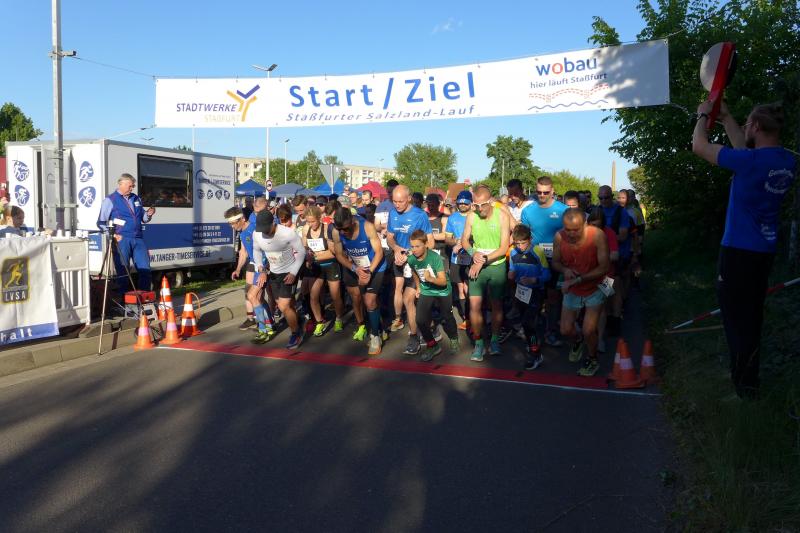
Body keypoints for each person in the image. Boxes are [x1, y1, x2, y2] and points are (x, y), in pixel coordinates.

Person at [693, 100, 796, 399]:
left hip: (738, 252)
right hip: (764, 251)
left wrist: (703, 115)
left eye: (748, 124)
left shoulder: (749, 162)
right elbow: (745, 150)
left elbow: (699, 146)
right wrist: (727, 118)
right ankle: (749, 382)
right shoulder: (786, 160)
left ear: (757, 127)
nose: (745, 127)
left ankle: (744, 389)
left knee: (735, 321)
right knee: (751, 318)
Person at [551, 208, 610, 376]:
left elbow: (605, 267)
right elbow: (555, 262)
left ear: (585, 224)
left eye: (575, 230)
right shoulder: (559, 237)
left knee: (589, 330)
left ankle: (592, 358)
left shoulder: (597, 235)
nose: (571, 234)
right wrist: (565, 270)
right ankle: (578, 340)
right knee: (565, 329)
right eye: (567, 229)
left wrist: (577, 280)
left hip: (598, 285)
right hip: (573, 286)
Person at [461, 185, 511, 361]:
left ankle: (495, 339)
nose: (479, 208)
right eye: (476, 205)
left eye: (483, 205)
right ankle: (479, 342)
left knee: (496, 305)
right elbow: (464, 240)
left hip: (496, 266)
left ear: (491, 202)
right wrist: (472, 252)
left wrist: (482, 260)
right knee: (474, 305)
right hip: (477, 265)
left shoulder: (502, 216)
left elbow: (503, 247)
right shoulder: (471, 216)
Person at [332, 206, 387, 355]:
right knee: (368, 301)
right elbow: (339, 255)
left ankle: (375, 336)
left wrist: (369, 271)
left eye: (346, 229)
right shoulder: (337, 232)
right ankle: (380, 328)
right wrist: (354, 268)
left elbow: (379, 252)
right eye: (340, 229)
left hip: (375, 266)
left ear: (352, 221)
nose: (344, 232)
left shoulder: (367, 226)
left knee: (369, 300)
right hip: (358, 268)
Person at [520, 176, 568, 346]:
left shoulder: (563, 210)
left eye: (545, 192)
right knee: (533, 297)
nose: (541, 195)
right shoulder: (528, 211)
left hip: (556, 259)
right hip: (535, 260)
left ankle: (551, 331)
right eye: (539, 192)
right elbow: (523, 236)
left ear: (552, 191)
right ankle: (530, 330)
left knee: (553, 297)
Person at [386, 184, 433, 355]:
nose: (397, 205)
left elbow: (431, 243)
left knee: (410, 299)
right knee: (402, 293)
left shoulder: (420, 215)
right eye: (394, 201)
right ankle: (416, 326)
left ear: (409, 199)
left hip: (416, 262)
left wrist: (411, 254)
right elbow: (390, 237)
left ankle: (416, 335)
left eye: (401, 201)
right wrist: (396, 249)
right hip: (399, 260)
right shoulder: (392, 213)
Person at [251, 210, 307, 350]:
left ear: (273, 223)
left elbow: (301, 252)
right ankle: (298, 320)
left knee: (283, 306)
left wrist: (294, 272)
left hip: (289, 272)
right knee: (287, 305)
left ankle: (296, 333)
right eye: (262, 229)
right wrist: (261, 269)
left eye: (267, 228)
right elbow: (256, 251)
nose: (264, 232)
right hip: (273, 273)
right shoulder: (257, 234)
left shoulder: (287, 233)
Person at [96, 173, 156, 293]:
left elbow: (143, 218)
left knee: (145, 269)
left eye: (133, 186)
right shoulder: (110, 200)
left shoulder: (136, 198)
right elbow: (101, 222)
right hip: (121, 239)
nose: (132, 188)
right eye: (130, 186)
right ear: (121, 184)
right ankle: (124, 299)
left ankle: (144, 297)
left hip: (138, 238)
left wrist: (148, 214)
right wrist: (112, 235)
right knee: (123, 271)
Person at [407, 229, 460, 362]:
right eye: (412, 246)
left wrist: (430, 278)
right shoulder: (411, 259)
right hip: (427, 290)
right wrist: (418, 286)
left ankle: (454, 338)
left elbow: (443, 282)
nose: (414, 250)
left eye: (417, 246)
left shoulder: (435, 258)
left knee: (447, 316)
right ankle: (432, 345)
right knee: (420, 320)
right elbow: (414, 271)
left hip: (443, 291)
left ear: (426, 244)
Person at [226, 205, 276, 342]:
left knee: (252, 295)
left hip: (265, 267)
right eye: (230, 224)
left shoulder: (255, 229)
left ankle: (263, 330)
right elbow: (243, 253)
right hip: (256, 267)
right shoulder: (242, 233)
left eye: (233, 223)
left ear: (242, 219)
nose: (232, 226)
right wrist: (237, 269)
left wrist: (264, 270)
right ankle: (270, 325)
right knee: (258, 298)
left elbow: (267, 249)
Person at [508, 224, 551, 370]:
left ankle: (535, 354)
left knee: (528, 324)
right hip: (521, 292)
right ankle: (533, 344)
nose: (520, 246)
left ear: (530, 239)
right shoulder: (512, 252)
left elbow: (547, 274)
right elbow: (512, 270)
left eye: (523, 243)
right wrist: (511, 275)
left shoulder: (537, 251)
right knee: (525, 323)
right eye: (517, 243)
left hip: (536, 292)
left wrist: (534, 279)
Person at [301, 205, 345, 336]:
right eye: (308, 221)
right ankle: (319, 321)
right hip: (316, 267)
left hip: (330, 265)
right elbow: (305, 247)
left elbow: (334, 252)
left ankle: (338, 318)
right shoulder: (306, 229)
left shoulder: (327, 230)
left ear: (319, 218)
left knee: (335, 295)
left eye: (313, 221)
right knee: (313, 296)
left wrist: (316, 256)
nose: (311, 224)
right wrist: (307, 257)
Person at [587, 206, 619, 353]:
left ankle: (600, 339)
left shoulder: (609, 233)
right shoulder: (584, 232)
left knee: (602, 308)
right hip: (588, 275)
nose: (595, 229)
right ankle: (587, 335)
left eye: (598, 226)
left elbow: (615, 255)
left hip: (606, 276)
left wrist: (598, 258)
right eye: (592, 225)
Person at [444, 190, 472, 329]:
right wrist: (455, 241)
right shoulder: (452, 218)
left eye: (465, 203)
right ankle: (466, 318)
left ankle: (474, 315)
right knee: (460, 288)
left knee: (469, 288)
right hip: (456, 259)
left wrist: (464, 243)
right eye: (460, 203)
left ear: (471, 203)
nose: (462, 205)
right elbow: (447, 238)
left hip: (471, 257)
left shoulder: (475, 216)